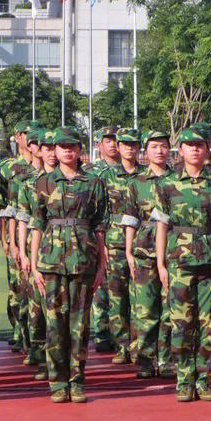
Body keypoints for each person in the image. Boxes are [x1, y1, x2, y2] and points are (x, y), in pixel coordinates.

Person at [152, 125, 211, 402]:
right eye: (189, 145)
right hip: (179, 262)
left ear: (208, 148)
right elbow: (162, 226)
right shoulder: (167, 183)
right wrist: (160, 264)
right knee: (181, 323)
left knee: (209, 323)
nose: (195, 149)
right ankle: (184, 379)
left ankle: (204, 378)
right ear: (181, 150)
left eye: (200, 144)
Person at [28, 127, 107, 403]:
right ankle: (57, 382)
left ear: (79, 150)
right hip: (51, 261)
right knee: (54, 323)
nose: (67, 151)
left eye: (72, 146)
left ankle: (77, 380)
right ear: (55, 151)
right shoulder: (43, 183)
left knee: (80, 325)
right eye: (62, 147)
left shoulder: (94, 183)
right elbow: (37, 224)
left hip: (84, 259)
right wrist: (35, 263)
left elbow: (99, 226)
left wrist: (102, 264)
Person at [124, 130, 174, 379]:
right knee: (145, 308)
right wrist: (128, 251)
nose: (159, 151)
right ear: (146, 151)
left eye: (163, 146)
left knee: (169, 308)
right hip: (144, 249)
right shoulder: (136, 182)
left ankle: (166, 359)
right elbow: (130, 219)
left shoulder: (178, 180)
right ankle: (145, 359)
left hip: (173, 252)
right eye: (154, 146)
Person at [100, 128, 144, 371]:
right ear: (118, 145)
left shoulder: (146, 176)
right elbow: (100, 211)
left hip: (141, 244)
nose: (129, 148)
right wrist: (103, 243)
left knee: (140, 298)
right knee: (116, 297)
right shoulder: (106, 176)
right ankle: (122, 345)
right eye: (124, 144)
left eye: (133, 144)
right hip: (114, 242)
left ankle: (139, 345)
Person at [15, 127, 54, 379]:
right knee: (36, 306)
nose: (48, 153)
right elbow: (22, 218)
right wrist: (22, 250)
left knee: (55, 308)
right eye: (44, 147)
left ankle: (54, 359)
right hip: (36, 247)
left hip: (62, 250)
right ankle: (37, 351)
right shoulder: (30, 182)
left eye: (52, 148)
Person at [0, 122, 33, 355]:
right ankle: (18, 329)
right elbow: (1, 205)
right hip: (13, 229)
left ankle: (32, 333)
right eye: (27, 135)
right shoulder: (7, 168)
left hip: (34, 232)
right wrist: (4, 237)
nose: (30, 140)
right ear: (17, 137)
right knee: (16, 284)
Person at [86, 125, 120, 353]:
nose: (113, 144)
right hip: (100, 233)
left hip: (121, 235)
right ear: (99, 145)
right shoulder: (91, 172)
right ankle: (101, 332)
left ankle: (120, 334)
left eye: (116, 140)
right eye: (108, 140)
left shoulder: (128, 171)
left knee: (119, 288)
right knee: (99, 288)